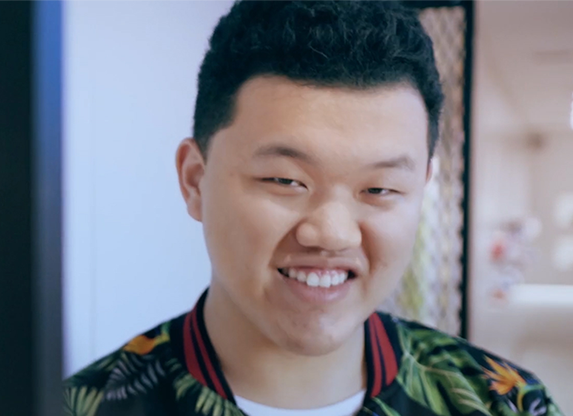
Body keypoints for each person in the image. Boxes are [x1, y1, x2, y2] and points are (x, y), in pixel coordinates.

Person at [64, 0, 562, 415]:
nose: (332, 233)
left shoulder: (504, 403)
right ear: (195, 181)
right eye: (286, 181)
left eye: (380, 189)